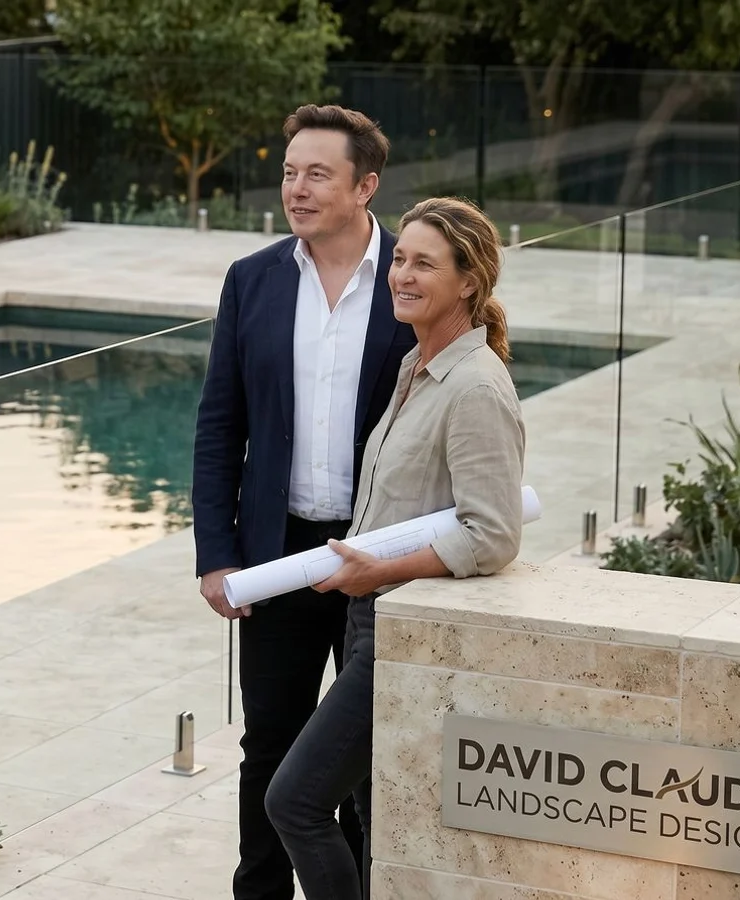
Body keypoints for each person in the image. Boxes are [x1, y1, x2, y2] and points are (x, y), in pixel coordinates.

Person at [262, 196, 528, 900]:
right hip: (368, 619)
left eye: (424, 264)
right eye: (400, 259)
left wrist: (383, 571)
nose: (402, 275)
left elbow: (493, 533)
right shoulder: (417, 367)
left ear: (468, 281)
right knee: (374, 816)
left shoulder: (475, 386)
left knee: (293, 800)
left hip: (400, 629)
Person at [192, 104, 416, 900]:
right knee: (272, 745)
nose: (296, 186)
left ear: (366, 186)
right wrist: (218, 555)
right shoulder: (251, 279)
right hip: (278, 555)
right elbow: (220, 425)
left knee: (363, 756)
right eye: (289, 170)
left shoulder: (410, 277)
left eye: (317, 172)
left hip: (380, 558)